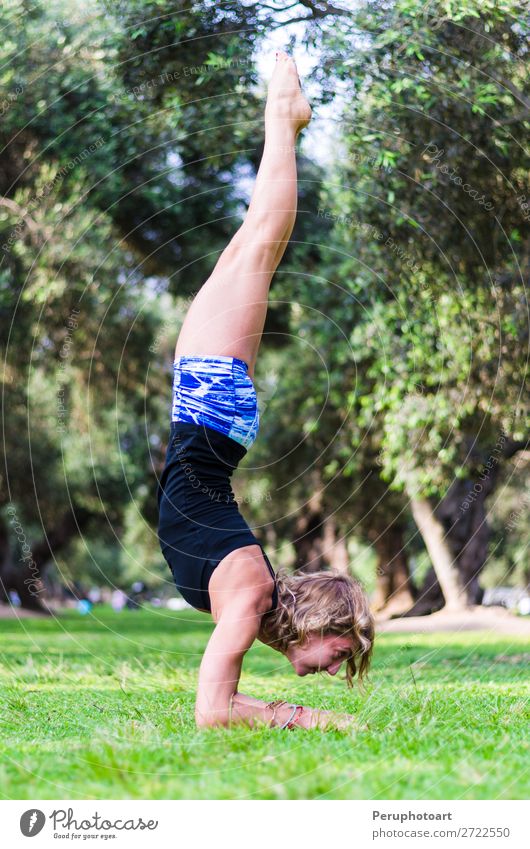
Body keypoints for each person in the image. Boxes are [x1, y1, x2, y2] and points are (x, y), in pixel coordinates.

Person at [157, 52, 374, 731]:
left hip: (211, 415)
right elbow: (214, 714)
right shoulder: (251, 593)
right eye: (344, 652)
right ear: (321, 622)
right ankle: (284, 119)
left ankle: (284, 120)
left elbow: (214, 708)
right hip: (210, 408)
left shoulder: (250, 600)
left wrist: (296, 712)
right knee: (258, 245)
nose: (337, 668)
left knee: (253, 248)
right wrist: (315, 719)